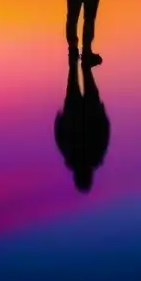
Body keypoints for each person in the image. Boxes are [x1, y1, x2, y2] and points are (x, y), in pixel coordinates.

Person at [54, 61, 110, 193]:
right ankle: (76, 47)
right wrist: (59, 119)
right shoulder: (77, 157)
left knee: (80, 74)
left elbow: (105, 132)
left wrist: (60, 120)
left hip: (80, 113)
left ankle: (79, 48)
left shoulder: (88, 156)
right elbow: (59, 137)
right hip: (82, 112)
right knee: (76, 74)